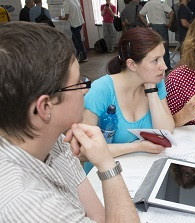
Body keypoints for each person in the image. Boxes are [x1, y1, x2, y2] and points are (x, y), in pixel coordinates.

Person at [0, 22, 139, 222]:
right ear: (45, 107)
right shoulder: (27, 204)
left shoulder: (51, 138)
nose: (85, 89)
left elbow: (98, 217)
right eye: (77, 83)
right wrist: (107, 164)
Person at [83, 27, 174, 169]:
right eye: (155, 60)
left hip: (137, 168)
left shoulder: (156, 81)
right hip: (102, 172)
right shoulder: (101, 90)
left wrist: (151, 91)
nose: (164, 66)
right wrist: (136, 147)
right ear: (132, 65)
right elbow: (85, 150)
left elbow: (166, 130)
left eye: (163, 57)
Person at [139, 0, 174, 71]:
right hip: (162, 27)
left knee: (153, 47)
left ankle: (154, 66)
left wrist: (146, 23)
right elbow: (171, 12)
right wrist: (170, 23)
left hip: (152, 27)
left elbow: (140, 14)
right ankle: (166, 66)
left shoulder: (148, 4)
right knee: (164, 47)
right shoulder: (162, 3)